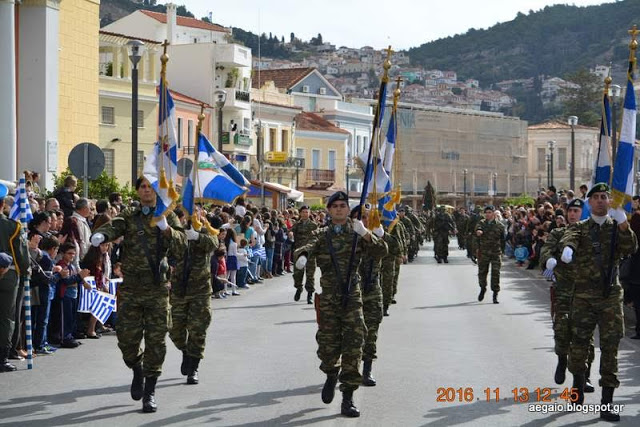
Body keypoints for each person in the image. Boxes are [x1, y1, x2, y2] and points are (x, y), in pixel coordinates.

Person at [91, 176, 186, 413]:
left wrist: (167, 230)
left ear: (156, 191)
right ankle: (137, 368)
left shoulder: (168, 216)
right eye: (142, 187)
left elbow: (182, 246)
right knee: (126, 341)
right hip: (132, 289)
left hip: (157, 289)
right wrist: (102, 235)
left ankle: (150, 391)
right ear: (137, 191)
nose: (146, 191)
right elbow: (114, 226)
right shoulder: (129, 216)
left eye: (150, 187)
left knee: (156, 342)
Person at [294, 191, 387, 417]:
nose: (338, 209)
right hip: (328, 299)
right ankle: (330, 373)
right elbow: (306, 246)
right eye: (334, 205)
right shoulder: (321, 234)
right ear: (328, 210)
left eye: (342, 205)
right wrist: (303, 255)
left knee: (354, 345)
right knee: (327, 346)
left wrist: (366, 234)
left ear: (348, 209)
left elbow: (382, 251)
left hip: (352, 297)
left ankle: (348, 396)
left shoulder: (355, 233)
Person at [559, 183, 637, 421]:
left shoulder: (617, 228)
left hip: (610, 296)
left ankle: (606, 402)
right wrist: (568, 250)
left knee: (610, 348)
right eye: (597, 197)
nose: (602, 200)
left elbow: (632, 247)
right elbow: (569, 237)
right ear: (589, 202)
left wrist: (623, 220)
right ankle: (578, 384)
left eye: (605, 197)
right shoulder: (581, 228)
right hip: (583, 296)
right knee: (580, 344)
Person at [540, 198, 596, 392]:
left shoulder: (591, 233)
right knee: (562, 331)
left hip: (586, 293)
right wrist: (549, 260)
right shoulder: (558, 233)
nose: (573, 214)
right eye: (570, 210)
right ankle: (562, 360)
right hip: (563, 290)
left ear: (583, 213)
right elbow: (546, 250)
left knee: (585, 338)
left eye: (577, 211)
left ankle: (583, 377)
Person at [169, 206, 218, 385]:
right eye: (189, 212)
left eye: (195, 212)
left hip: (200, 290)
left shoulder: (206, 231)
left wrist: (197, 236)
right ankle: (186, 351)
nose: (192, 216)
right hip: (179, 288)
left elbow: (214, 244)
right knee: (174, 329)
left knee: (198, 330)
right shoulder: (178, 232)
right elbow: (168, 249)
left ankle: (194, 367)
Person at [350, 206, 388, 387]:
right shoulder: (347, 240)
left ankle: (367, 369)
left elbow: (384, 250)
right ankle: (348, 369)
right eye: (359, 218)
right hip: (351, 293)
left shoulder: (374, 239)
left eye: (366, 217)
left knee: (371, 332)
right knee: (352, 334)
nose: (363, 221)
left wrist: (369, 233)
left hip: (372, 292)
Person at [475, 206, 506, 303]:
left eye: (489, 212)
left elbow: (503, 240)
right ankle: (483, 288)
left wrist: (502, 253)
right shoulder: (481, 223)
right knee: (482, 272)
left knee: (496, 273)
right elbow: (477, 230)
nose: (487, 214)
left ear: (493, 213)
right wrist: (478, 232)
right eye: (486, 212)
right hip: (484, 252)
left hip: (496, 252)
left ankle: (495, 293)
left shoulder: (500, 226)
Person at [291, 206, 318, 303]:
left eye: (307, 212)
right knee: (298, 273)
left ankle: (310, 294)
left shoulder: (314, 225)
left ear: (309, 213)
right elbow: (290, 233)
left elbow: (317, 238)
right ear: (300, 213)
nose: (305, 214)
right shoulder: (296, 225)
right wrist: (290, 234)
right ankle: (299, 288)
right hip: (299, 252)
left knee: (310, 274)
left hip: (310, 253)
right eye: (303, 212)